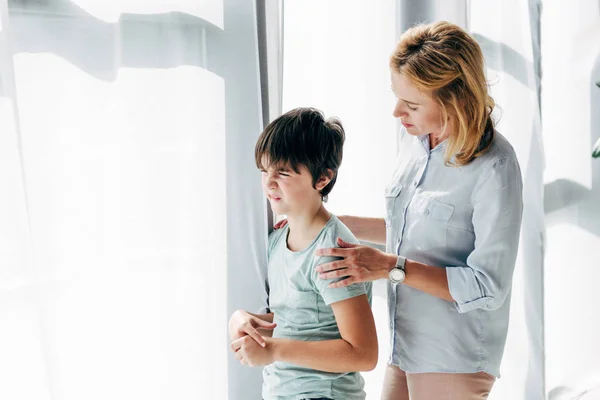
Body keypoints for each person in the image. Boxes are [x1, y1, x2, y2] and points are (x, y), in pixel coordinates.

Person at [276, 21, 524, 399]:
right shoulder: (416, 144)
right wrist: (324, 222)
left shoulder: (495, 168)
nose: (397, 112)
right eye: (397, 96)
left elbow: (487, 286)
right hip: (404, 344)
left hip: (451, 355)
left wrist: (391, 267)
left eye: (411, 104)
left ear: (453, 99)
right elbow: (414, 232)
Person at [228, 107, 378, 400]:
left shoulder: (333, 251)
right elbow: (302, 322)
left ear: (321, 179)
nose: (269, 182)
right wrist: (241, 319)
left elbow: (363, 353)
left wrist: (274, 349)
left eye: (282, 172)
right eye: (265, 170)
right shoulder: (277, 239)